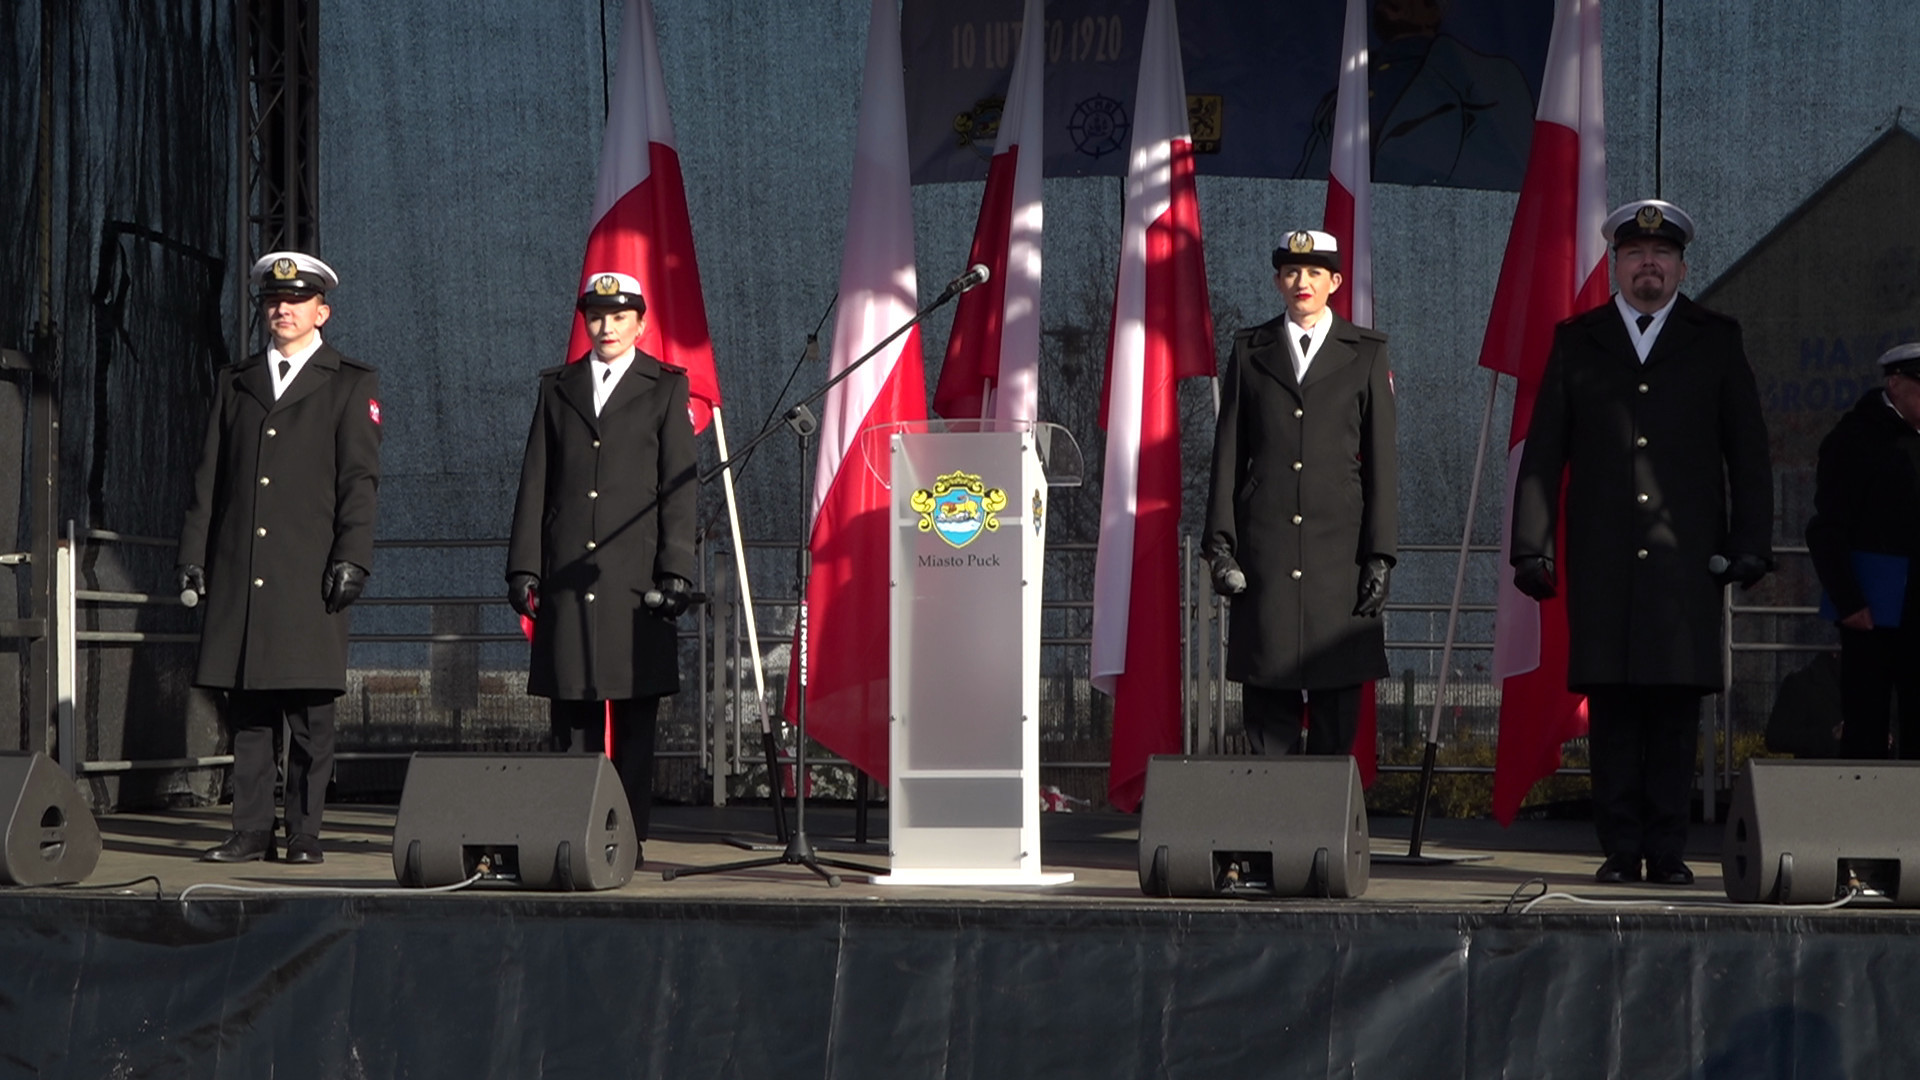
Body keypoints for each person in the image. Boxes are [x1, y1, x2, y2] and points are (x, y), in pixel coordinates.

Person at [1511, 200, 1773, 886]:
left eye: (1660, 256)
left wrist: (1751, 541)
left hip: (1687, 560)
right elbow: (1543, 453)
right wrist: (1530, 546)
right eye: (1634, 255)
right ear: (1616, 268)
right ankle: (1621, 848)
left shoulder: (1715, 337)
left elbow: (1746, 451)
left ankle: (1668, 847)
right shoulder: (1580, 339)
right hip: (1603, 558)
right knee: (1616, 709)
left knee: (1674, 707)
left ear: (1681, 266)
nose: (1647, 265)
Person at [176, 251, 382, 864]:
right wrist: (195, 554)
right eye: (272, 300)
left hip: (309, 572)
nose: (282, 309)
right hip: (245, 572)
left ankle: (305, 834)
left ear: (323, 311)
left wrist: (353, 558)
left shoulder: (349, 382)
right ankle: (250, 830)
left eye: (295, 301)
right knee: (251, 712)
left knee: (310, 716)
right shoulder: (235, 381)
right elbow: (209, 479)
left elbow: (360, 481)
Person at [506, 272, 697, 868]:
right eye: (596, 315)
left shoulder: (665, 387)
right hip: (567, 575)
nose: (607, 325)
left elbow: (679, 489)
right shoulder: (557, 387)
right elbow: (535, 481)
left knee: (636, 720)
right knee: (572, 718)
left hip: (635, 581)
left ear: (641, 323)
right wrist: (524, 567)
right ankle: (573, 837)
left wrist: (676, 571)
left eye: (619, 316)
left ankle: (630, 841)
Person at [1205, 230, 1397, 758]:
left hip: (1341, 559)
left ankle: (1326, 837)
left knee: (1337, 712)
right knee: (1268, 714)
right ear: (1277, 281)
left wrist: (1380, 557)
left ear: (1335, 282)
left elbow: (1382, 463)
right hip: (1265, 552)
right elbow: (1227, 454)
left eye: (1314, 272)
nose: (1302, 282)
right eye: (1291, 271)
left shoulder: (1365, 353)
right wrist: (1220, 546)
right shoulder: (1251, 350)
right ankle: (1273, 830)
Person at [1805, 342, 1920, 758]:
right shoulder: (1856, 439)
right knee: (1867, 723)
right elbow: (1827, 527)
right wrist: (1848, 598)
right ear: (1896, 384)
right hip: (1874, 608)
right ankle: (1866, 818)